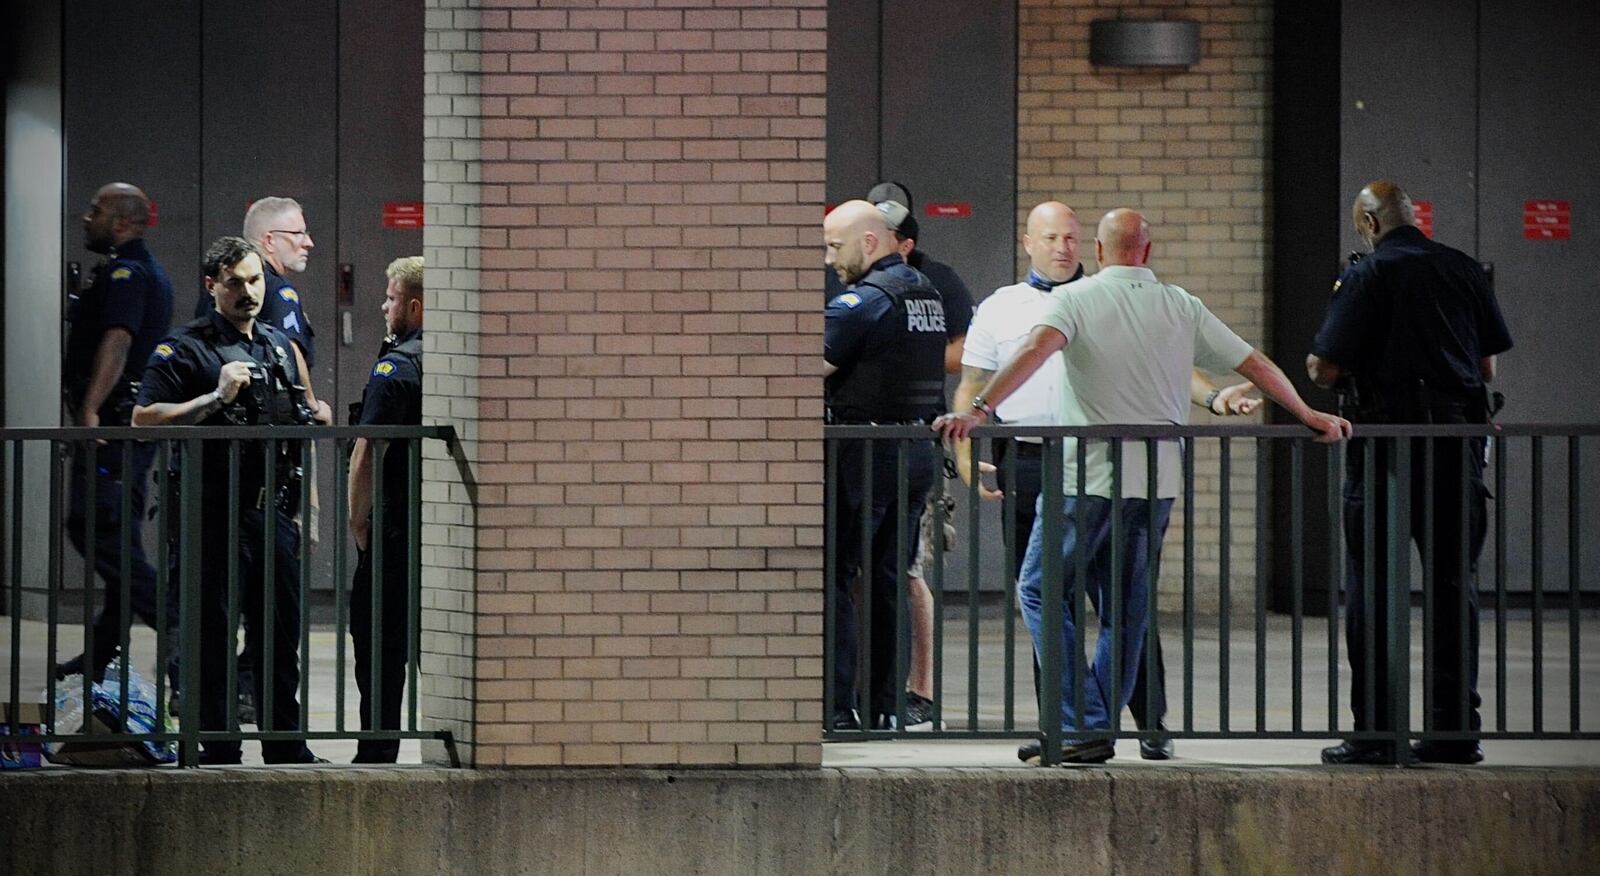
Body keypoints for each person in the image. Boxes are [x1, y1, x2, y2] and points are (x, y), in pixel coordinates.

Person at [936, 208, 1350, 764]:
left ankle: (1083, 719)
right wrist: (1307, 413)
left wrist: (982, 411)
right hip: (1155, 481)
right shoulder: (1181, 305)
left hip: (1085, 475)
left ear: (1099, 253)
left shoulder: (1076, 300)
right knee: (1127, 605)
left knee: (1039, 589)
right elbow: (1255, 364)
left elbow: (1034, 352)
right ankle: (1096, 723)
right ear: (1147, 253)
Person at [1308, 181, 1512, 766]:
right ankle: (1454, 731)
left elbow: (1324, 370)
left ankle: (1374, 732)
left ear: (1370, 224)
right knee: (1453, 587)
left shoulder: (1368, 275)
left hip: (1384, 453)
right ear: (1413, 217)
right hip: (1456, 446)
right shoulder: (1465, 269)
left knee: (1373, 588)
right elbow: (1488, 366)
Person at [134, 236, 330, 765]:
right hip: (211, 514)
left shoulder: (279, 346)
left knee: (280, 634)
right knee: (213, 636)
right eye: (235, 283)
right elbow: (142, 417)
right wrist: (212, 398)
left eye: (255, 280)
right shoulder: (186, 347)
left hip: (272, 513)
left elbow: (308, 412)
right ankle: (220, 748)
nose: (248, 292)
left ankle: (286, 746)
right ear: (211, 286)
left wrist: (315, 417)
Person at [825, 184, 975, 726]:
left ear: (869, 242)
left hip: (864, 454)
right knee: (890, 576)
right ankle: (885, 705)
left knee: (839, 576)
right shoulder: (927, 294)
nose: (829, 259)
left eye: (834, 247)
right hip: (913, 451)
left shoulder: (866, 300)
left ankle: (838, 708)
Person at [57, 182, 176, 684]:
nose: (87, 217)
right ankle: (103, 653)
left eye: (96, 209)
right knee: (116, 535)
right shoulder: (132, 268)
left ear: (124, 222)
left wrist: (90, 409)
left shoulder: (130, 273)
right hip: (122, 431)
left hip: (111, 430)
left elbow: (119, 339)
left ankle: (176, 627)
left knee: (94, 526)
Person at [346, 256, 425, 763]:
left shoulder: (396, 367)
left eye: (391, 298)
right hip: (437, 529)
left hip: (395, 531)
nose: (383, 305)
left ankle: (376, 752)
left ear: (414, 306)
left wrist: (358, 520)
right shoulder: (454, 357)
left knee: (377, 642)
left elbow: (367, 449)